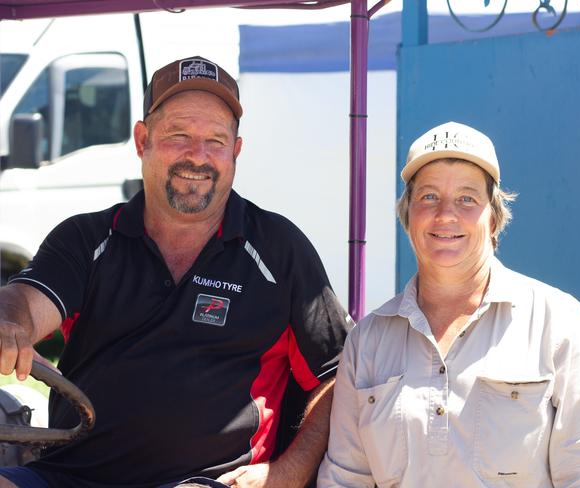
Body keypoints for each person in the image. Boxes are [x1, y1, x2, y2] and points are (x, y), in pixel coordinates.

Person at [0, 56, 350, 488]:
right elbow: (27, 303)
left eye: (216, 141)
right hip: (67, 475)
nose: (197, 156)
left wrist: (289, 471)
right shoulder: (85, 238)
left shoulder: (278, 249)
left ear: (236, 151)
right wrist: (10, 322)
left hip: (207, 483)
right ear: (142, 140)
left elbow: (339, 376)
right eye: (179, 135)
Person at [317, 121, 580, 487]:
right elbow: (343, 480)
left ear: (495, 217)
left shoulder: (560, 326)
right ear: (407, 214)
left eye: (467, 198)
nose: (446, 215)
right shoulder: (367, 343)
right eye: (429, 196)